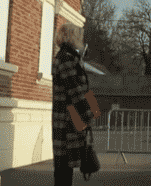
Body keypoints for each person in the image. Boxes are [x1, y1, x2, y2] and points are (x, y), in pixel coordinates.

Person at [52, 22, 95, 185]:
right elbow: (76, 90)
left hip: (68, 117)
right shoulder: (67, 58)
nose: (81, 39)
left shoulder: (68, 57)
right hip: (67, 119)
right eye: (79, 35)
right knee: (63, 166)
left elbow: (81, 88)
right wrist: (89, 115)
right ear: (72, 37)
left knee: (64, 165)